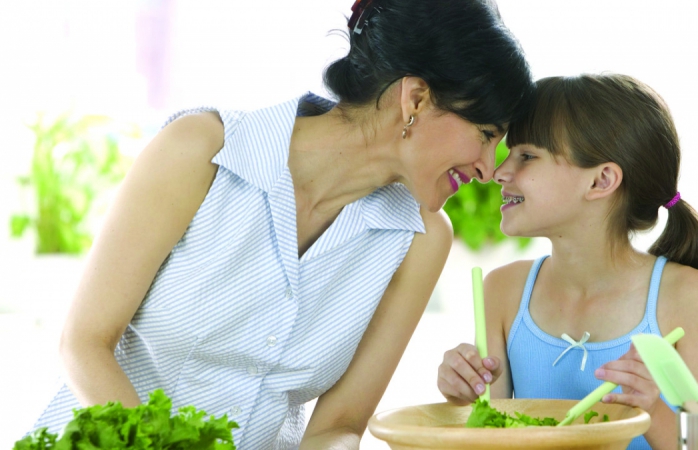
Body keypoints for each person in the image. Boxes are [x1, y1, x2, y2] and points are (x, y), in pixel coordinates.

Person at [29, 1, 535, 449]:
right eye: (486, 133)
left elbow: (339, 424)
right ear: (416, 100)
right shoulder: (203, 151)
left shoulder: (422, 240)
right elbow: (84, 344)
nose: (490, 168)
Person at [437, 74, 698, 450]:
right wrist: (464, 399)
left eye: (527, 156)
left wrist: (652, 412)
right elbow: (492, 438)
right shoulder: (502, 290)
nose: (499, 172)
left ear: (601, 181)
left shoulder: (690, 298)